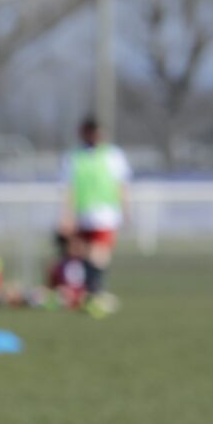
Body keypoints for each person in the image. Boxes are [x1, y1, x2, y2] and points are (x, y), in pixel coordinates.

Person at [60, 116, 130, 316]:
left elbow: (121, 185)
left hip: (105, 213)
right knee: (84, 253)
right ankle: (93, 292)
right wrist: (66, 215)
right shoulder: (73, 157)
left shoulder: (113, 155)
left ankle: (96, 291)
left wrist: (126, 210)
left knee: (99, 253)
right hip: (82, 214)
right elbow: (68, 189)